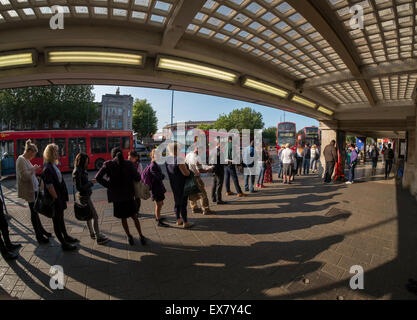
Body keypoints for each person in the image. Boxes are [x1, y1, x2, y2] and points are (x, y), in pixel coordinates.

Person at [96, 148, 146, 245]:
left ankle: (129, 236)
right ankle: (141, 236)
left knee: (123, 218)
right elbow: (138, 177)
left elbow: (98, 177)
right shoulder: (129, 164)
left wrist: (109, 185)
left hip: (117, 198)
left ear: (112, 155)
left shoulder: (108, 164)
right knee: (134, 216)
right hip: (129, 196)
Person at [42, 144, 78, 251]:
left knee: (61, 219)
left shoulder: (53, 165)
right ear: (52, 153)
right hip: (55, 199)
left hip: (59, 198)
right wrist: (56, 198)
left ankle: (66, 236)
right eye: (57, 151)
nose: (59, 153)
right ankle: (63, 244)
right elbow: (49, 186)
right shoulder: (48, 168)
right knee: (56, 221)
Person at [16, 140, 51, 244]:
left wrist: (34, 170)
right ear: (29, 151)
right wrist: (34, 169)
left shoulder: (25, 159)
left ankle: (42, 231)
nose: (33, 157)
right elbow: (24, 176)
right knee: (34, 213)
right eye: (33, 154)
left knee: (35, 211)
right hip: (29, 191)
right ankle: (39, 236)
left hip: (34, 189)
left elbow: (29, 172)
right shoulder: (21, 159)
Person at [72, 153, 109, 244]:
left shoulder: (80, 169)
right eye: (86, 161)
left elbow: (82, 183)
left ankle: (92, 233)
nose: (87, 163)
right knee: (95, 216)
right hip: (84, 196)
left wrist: (89, 182)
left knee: (89, 215)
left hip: (85, 195)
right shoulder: (77, 171)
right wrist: (91, 183)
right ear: (82, 161)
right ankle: (98, 237)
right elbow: (79, 187)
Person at [165, 142, 193, 228]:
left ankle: (178, 219)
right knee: (183, 203)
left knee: (177, 202)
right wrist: (190, 172)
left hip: (173, 184)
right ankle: (185, 222)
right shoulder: (179, 159)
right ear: (176, 149)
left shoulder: (167, 160)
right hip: (182, 184)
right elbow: (186, 173)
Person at [141, 149, 169, 227]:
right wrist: (162, 176)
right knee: (158, 204)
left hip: (158, 188)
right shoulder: (153, 165)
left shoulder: (154, 164)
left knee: (160, 203)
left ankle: (158, 217)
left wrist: (161, 175)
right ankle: (159, 221)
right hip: (156, 189)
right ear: (153, 156)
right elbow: (157, 177)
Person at [185, 148, 214, 215]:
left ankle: (194, 208)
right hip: (196, 177)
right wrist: (208, 170)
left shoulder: (188, 155)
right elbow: (200, 170)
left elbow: (186, 165)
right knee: (202, 194)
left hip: (190, 177)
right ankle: (206, 209)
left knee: (192, 193)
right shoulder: (196, 157)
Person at [128, 151, 143, 217]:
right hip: (129, 184)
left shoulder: (138, 164)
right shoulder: (127, 163)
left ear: (136, 158)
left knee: (137, 198)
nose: (129, 157)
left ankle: (137, 211)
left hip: (136, 183)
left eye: (130, 156)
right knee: (130, 198)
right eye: (129, 156)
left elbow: (140, 175)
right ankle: (132, 210)